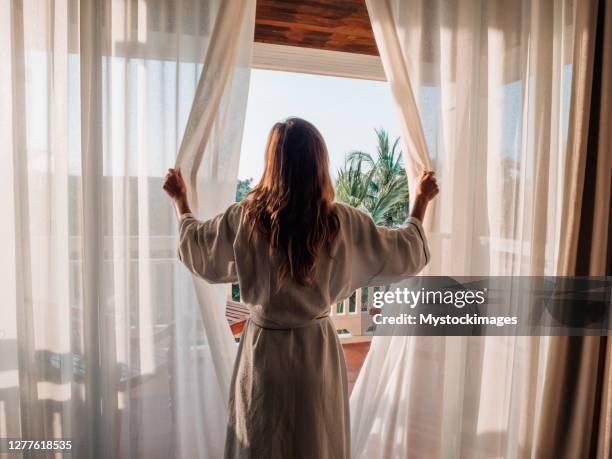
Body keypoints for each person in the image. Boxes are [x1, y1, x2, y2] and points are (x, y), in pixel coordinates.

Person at [163, 117, 438, 459]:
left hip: (263, 355)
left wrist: (180, 202)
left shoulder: (244, 219)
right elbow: (404, 253)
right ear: (319, 164)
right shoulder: (343, 222)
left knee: (261, 441)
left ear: (271, 163)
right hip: (315, 354)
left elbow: (198, 249)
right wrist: (421, 202)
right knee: (315, 442)